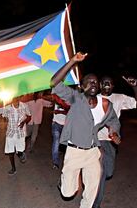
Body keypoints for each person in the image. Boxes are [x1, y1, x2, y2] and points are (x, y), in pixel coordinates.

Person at [50, 52, 121, 208]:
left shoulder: (105, 105)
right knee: (68, 192)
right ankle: (64, 182)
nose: (93, 84)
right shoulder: (76, 98)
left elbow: (114, 121)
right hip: (74, 152)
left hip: (93, 152)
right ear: (82, 87)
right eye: (88, 82)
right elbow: (54, 83)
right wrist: (73, 61)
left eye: (95, 82)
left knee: (91, 192)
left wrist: (114, 132)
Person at [92, 75, 137, 208]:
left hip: (110, 141)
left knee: (108, 172)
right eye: (104, 83)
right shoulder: (93, 99)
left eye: (109, 83)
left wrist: (134, 87)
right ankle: (95, 204)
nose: (107, 85)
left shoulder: (119, 98)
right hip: (96, 141)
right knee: (101, 173)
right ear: (100, 85)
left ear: (113, 86)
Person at [2, 96, 31, 175]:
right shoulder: (7, 108)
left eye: (17, 100)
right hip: (10, 133)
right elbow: (4, 117)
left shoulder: (24, 106)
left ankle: (21, 153)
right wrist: (5, 119)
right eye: (14, 100)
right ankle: (13, 168)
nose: (15, 102)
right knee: (10, 151)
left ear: (19, 99)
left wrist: (23, 122)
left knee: (20, 150)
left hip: (20, 132)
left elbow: (29, 116)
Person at [49, 93, 70, 170]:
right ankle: (55, 162)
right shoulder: (56, 97)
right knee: (56, 142)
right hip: (56, 123)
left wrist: (60, 112)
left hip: (66, 125)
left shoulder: (69, 99)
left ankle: (66, 163)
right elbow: (50, 98)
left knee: (66, 144)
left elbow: (70, 111)